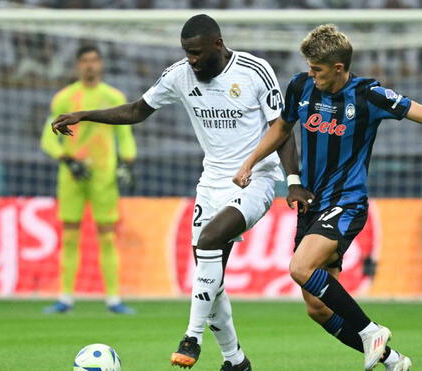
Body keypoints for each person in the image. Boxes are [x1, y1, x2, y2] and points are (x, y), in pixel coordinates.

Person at [233, 24, 422, 371]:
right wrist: (250, 161)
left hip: (347, 202)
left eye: (318, 70)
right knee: (317, 307)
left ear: (339, 68)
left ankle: (372, 331)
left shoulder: (369, 95)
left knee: (300, 268)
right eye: (309, 67)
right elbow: (281, 128)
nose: (311, 74)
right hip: (312, 202)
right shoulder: (300, 86)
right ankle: (393, 360)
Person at [51, 14, 296, 371]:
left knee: (209, 244)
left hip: (256, 178)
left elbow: (282, 127)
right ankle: (235, 361)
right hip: (211, 183)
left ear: (217, 43)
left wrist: (293, 180)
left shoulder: (255, 71)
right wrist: (85, 115)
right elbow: (137, 110)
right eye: (187, 53)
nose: (192, 60)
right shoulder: (179, 75)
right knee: (209, 282)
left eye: (197, 53)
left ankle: (191, 337)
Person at [41, 45, 137, 315]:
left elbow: (124, 136)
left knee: (107, 238)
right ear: (77, 65)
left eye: (94, 60)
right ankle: (66, 298)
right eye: (84, 61)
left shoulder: (113, 96)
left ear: (101, 64)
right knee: (70, 237)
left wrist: (128, 163)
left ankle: (113, 299)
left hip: (104, 176)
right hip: (72, 175)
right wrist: (67, 159)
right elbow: (49, 136)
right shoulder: (64, 98)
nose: (90, 65)